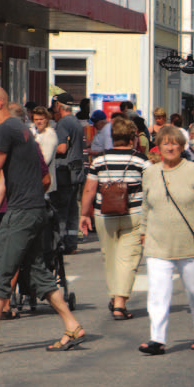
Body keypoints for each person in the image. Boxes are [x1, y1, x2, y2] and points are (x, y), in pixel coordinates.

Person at [0, 86, 85, 354]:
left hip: (22, 212)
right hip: (32, 209)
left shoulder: (5, 130)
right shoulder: (20, 129)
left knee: (0, 271)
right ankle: (72, 325)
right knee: (37, 271)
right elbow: (6, 180)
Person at [136, 125, 194, 355]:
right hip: (157, 242)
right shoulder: (150, 172)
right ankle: (157, 339)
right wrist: (143, 232)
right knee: (158, 292)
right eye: (166, 143)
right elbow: (145, 207)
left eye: (175, 143)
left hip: (190, 243)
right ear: (159, 147)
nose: (170, 147)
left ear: (182, 147)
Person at [80, 116, 150, 320]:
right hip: (134, 215)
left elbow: (89, 189)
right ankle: (120, 302)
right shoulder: (141, 160)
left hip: (104, 215)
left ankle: (115, 296)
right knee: (129, 259)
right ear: (133, 138)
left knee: (110, 257)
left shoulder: (99, 160)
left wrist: (84, 214)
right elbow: (151, 189)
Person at [51, 93, 86, 254]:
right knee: (72, 209)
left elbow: (62, 148)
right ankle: (72, 243)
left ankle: (61, 244)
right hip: (76, 171)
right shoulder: (75, 122)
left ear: (58, 105)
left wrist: (45, 147)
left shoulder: (63, 123)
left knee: (61, 210)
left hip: (64, 171)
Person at [32, 106, 58, 195]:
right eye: (36, 119)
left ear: (47, 119)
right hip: (36, 183)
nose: (39, 122)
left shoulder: (49, 134)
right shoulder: (34, 132)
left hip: (45, 184)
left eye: (41, 119)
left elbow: (45, 160)